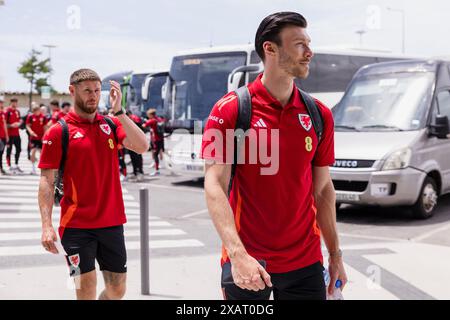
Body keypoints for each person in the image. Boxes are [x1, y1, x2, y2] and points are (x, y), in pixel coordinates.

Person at [201, 12, 347, 300]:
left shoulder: (319, 114)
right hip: (249, 264)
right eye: (299, 44)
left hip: (305, 262)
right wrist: (237, 255)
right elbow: (214, 185)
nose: (309, 52)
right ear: (270, 48)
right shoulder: (230, 109)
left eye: (308, 43)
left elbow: (323, 189)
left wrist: (335, 254)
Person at [38, 69, 149, 300]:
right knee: (85, 288)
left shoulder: (110, 124)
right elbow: (47, 182)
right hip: (76, 227)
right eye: (87, 90)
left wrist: (119, 112)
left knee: (117, 289)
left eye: (97, 90)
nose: (93, 96)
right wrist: (46, 225)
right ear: (72, 91)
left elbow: (142, 146)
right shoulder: (59, 132)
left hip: (112, 223)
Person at [26, 103, 49, 175]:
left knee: (42, 153)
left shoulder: (43, 117)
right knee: (33, 151)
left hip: (41, 138)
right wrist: (31, 132)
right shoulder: (30, 117)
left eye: (38, 110)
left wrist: (45, 136)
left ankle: (43, 167)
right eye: (35, 111)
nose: (37, 112)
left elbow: (45, 127)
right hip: (33, 137)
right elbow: (28, 126)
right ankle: (33, 168)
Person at [142, 108, 164, 176]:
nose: (148, 116)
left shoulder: (152, 120)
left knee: (155, 154)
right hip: (161, 139)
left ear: (151, 115)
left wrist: (145, 121)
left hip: (155, 140)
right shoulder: (159, 119)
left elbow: (143, 125)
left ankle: (157, 170)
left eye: (149, 115)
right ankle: (156, 166)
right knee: (157, 154)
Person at [5, 98, 23, 174]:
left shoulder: (17, 111)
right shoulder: (7, 111)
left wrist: (19, 123)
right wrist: (11, 125)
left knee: (19, 149)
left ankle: (16, 165)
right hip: (9, 135)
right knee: (9, 150)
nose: (15, 104)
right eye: (13, 102)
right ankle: (9, 166)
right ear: (11, 102)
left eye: (16, 102)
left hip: (17, 134)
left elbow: (19, 121)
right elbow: (4, 124)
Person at [126, 110, 144, 182]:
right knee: (133, 157)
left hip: (137, 143)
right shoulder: (127, 122)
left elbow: (141, 130)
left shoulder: (136, 120)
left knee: (137, 158)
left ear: (130, 114)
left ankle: (140, 172)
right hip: (131, 143)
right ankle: (135, 172)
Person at [0, 99, 9, 175]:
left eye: (2, 104)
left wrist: (6, 135)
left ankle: (1, 168)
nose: (1, 105)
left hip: (3, 136)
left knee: (1, 153)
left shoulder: (3, 113)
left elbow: (5, 125)